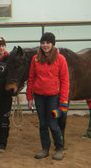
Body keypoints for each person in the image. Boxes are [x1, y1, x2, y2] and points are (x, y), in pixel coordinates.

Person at [26, 32, 69, 161]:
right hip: (39, 96)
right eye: (43, 43)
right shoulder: (35, 59)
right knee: (43, 124)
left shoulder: (60, 59)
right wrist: (29, 97)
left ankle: (59, 148)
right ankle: (45, 148)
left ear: (53, 44)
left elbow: (65, 81)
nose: (45, 45)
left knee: (53, 123)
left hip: (53, 97)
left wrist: (63, 102)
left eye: (48, 43)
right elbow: (31, 78)